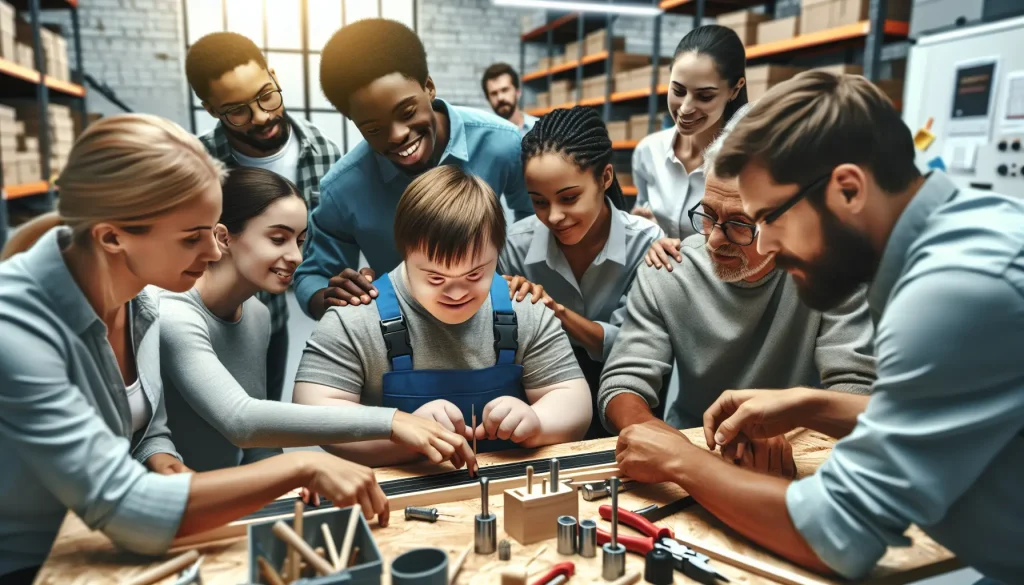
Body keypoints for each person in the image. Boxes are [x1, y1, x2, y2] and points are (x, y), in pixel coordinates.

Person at [615, 72, 1024, 583]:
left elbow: (837, 534)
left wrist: (684, 463)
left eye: (769, 218)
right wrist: (814, 405)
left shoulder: (950, 292)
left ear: (848, 189)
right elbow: (937, 405)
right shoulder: (969, 231)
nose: (761, 247)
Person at [0, 115, 388, 585]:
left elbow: (142, 425)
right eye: (192, 237)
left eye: (211, 230)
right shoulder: (16, 331)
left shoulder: (140, 301)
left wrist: (158, 455)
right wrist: (301, 463)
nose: (212, 252)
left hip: (102, 545)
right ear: (111, 236)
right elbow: (126, 506)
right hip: (36, 563)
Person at [600, 103, 876, 470]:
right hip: (696, 447)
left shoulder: (836, 273)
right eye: (709, 213)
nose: (714, 239)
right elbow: (623, 383)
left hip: (801, 452)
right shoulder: (669, 268)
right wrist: (663, 439)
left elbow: (856, 389)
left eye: (739, 224)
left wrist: (795, 422)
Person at [158, 167, 476, 473]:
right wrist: (393, 422)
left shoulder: (257, 315)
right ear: (223, 238)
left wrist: (288, 489)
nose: (296, 257)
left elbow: (258, 447)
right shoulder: (174, 313)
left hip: (227, 500)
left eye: (299, 241)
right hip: (172, 506)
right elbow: (241, 421)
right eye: (278, 239)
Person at [293, 165, 591, 465]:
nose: (457, 293)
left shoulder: (523, 306)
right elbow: (313, 412)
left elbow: (572, 397)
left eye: (475, 274)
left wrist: (537, 422)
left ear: (497, 252)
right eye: (436, 278)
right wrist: (398, 430)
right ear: (406, 252)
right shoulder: (356, 315)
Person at [296, 19, 533, 320]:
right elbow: (313, 276)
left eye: (406, 113)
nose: (396, 135)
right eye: (373, 128)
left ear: (429, 87)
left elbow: (535, 226)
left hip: (493, 317)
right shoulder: (341, 189)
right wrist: (329, 296)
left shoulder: (503, 142)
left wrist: (523, 282)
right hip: (401, 332)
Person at [185, 31, 343, 402]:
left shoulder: (324, 152)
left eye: (266, 95)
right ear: (211, 109)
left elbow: (328, 252)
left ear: (273, 76)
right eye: (237, 110)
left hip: (272, 321)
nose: (261, 116)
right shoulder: (196, 166)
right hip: (208, 320)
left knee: (266, 410)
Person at [497, 107, 663, 439]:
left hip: (629, 396)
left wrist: (551, 311)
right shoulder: (513, 246)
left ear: (605, 178)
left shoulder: (648, 246)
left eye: (569, 198)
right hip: (536, 399)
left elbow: (630, 346)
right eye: (539, 202)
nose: (555, 216)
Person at [631, 25, 747, 243]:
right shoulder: (648, 151)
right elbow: (642, 216)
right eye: (678, 91)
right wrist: (644, 229)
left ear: (735, 89)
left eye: (704, 96)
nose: (685, 108)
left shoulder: (748, 163)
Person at [481, 62, 538, 135]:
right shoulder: (486, 137)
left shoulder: (541, 129)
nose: (500, 98)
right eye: (494, 93)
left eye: (505, 90)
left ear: (518, 92)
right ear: (488, 99)